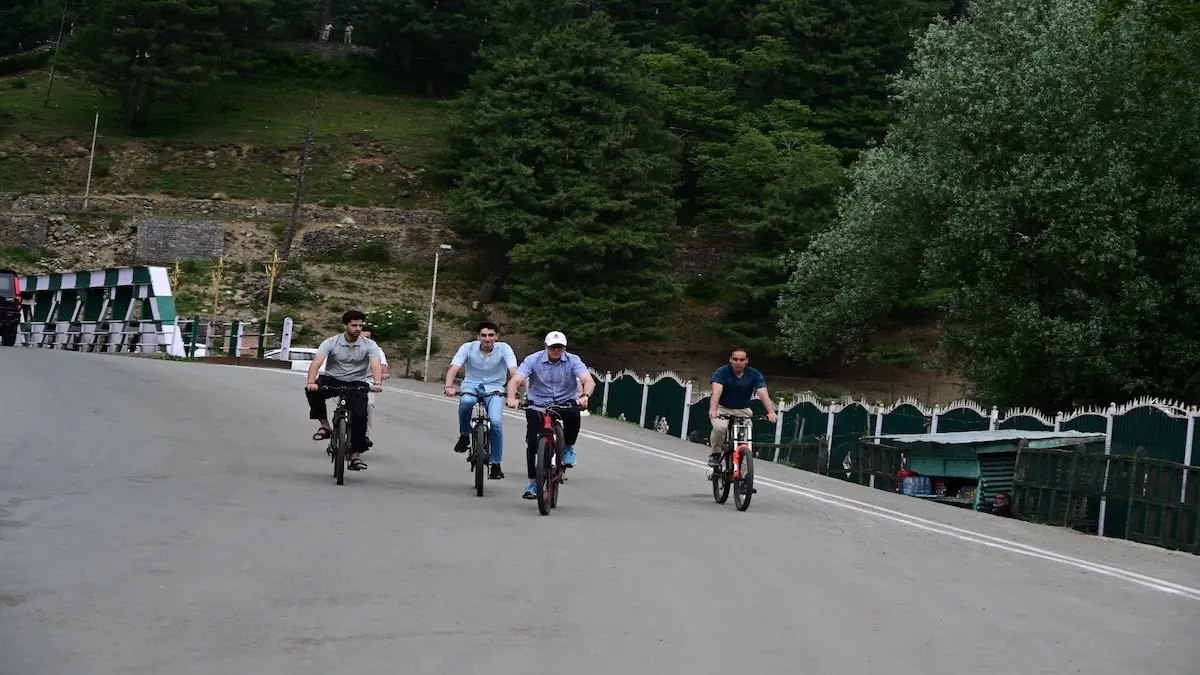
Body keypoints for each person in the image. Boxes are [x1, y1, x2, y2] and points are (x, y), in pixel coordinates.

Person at [506, 330, 595, 499]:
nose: (556, 350)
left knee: (574, 414)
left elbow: (587, 380)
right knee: (533, 443)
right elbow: (516, 380)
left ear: (564, 347)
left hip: (564, 401)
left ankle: (568, 447)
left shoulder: (573, 360)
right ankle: (533, 482)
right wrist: (511, 397)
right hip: (538, 403)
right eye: (553, 347)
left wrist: (584, 396)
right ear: (546, 346)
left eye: (560, 347)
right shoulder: (533, 360)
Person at [305, 310, 384, 471]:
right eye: (354, 325)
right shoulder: (331, 342)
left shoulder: (369, 345)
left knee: (361, 415)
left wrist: (377, 383)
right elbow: (317, 363)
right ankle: (325, 426)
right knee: (313, 391)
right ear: (345, 325)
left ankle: (355, 455)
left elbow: (376, 364)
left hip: (356, 382)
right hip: (333, 378)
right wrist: (311, 382)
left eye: (360, 325)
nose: (358, 329)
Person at [443, 321, 518, 479]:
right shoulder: (467, 347)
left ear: (497, 336)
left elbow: (514, 371)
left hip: (495, 388)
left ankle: (496, 463)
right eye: (483, 335)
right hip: (471, 385)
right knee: (466, 403)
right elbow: (454, 368)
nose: (487, 339)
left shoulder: (504, 348)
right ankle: (464, 435)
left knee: (496, 422)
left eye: (491, 335)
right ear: (478, 336)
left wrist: (515, 393)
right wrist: (449, 386)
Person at [707, 347, 778, 467]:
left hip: (743, 410)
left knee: (746, 434)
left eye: (741, 359)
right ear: (730, 360)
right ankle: (716, 454)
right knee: (720, 428)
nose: (738, 362)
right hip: (722, 408)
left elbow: (763, 394)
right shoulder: (722, 372)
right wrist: (713, 410)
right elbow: (716, 392)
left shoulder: (754, 374)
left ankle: (744, 472)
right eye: (735, 359)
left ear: (747, 361)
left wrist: (771, 412)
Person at [360, 328, 391, 448]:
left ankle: (366, 435)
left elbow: (381, 364)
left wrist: (382, 375)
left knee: (369, 404)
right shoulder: (347, 347)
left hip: (367, 381)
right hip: (348, 380)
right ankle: (338, 427)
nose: (363, 340)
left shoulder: (376, 349)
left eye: (367, 338)